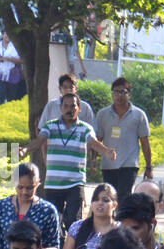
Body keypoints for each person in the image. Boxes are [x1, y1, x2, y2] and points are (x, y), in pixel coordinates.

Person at [21, 93, 116, 232]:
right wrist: (25, 150)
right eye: (65, 106)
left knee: (73, 219)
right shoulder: (50, 126)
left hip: (75, 182)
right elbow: (39, 141)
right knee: (53, 221)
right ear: (61, 108)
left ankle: (73, 248)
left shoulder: (85, 128)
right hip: (53, 183)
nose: (69, 109)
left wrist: (106, 151)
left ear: (79, 109)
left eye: (73, 106)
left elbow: (94, 143)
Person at [95, 77, 154, 202]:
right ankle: (112, 221)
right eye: (116, 92)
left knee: (123, 195)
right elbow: (97, 140)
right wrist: (93, 159)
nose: (119, 96)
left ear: (129, 95)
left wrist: (149, 167)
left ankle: (122, 221)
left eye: (123, 92)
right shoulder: (102, 114)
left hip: (129, 164)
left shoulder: (139, 115)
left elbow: (145, 142)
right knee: (110, 197)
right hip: (108, 165)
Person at [60, 183, 118, 249]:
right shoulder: (78, 227)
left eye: (105, 200)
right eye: (96, 199)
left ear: (114, 205)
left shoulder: (122, 231)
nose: (100, 203)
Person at [133, 180, 164, 249]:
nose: (142, 203)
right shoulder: (118, 237)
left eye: (149, 200)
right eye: (137, 198)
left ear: (160, 206)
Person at [0, 31, 23, 106]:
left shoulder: (16, 46)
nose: (8, 36)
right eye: (6, 34)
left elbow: (22, 60)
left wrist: (9, 59)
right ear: (3, 34)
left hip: (13, 77)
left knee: (11, 101)